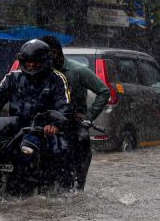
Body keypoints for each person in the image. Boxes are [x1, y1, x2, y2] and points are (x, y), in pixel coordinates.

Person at [0, 39, 74, 178]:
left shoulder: (57, 79)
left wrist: (54, 123)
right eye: (28, 61)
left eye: (36, 61)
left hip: (40, 130)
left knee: (53, 151)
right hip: (13, 129)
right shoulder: (12, 78)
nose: (31, 65)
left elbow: (64, 105)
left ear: (45, 61)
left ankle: (47, 183)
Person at [40, 35, 110, 190]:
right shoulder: (40, 72)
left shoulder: (77, 71)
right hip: (48, 126)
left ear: (55, 53)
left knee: (76, 180)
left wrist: (89, 116)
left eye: (45, 55)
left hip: (74, 126)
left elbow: (104, 91)